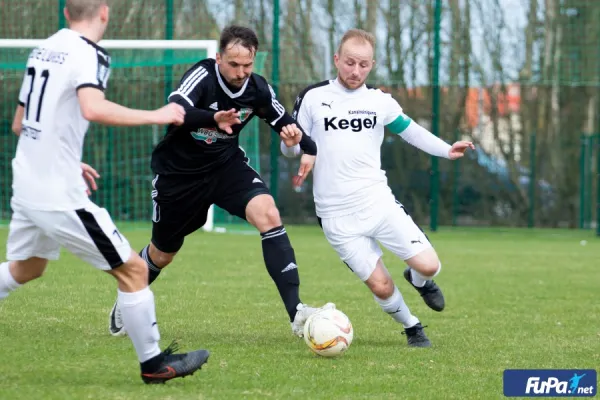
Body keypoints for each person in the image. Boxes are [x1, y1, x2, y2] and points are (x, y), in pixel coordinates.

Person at [0, 0, 209, 383]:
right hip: (57, 194)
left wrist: (66, 156)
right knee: (132, 269)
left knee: (28, 268)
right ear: (105, 12)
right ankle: (154, 365)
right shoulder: (89, 53)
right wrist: (158, 114)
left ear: (66, 13)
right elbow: (93, 108)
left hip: (27, 182)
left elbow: (20, 123)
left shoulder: (42, 49)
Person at [108, 25, 334, 338]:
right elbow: (176, 111)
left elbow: (290, 128)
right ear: (218, 58)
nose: (241, 72)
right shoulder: (202, 76)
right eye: (233, 64)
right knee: (163, 253)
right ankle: (129, 292)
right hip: (179, 175)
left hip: (225, 168)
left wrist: (302, 144)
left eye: (247, 65)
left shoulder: (258, 89)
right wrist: (212, 118)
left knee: (268, 213)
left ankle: (296, 313)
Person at [282, 29, 475, 347]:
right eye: (349, 63)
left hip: (378, 203)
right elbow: (292, 148)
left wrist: (446, 149)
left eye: (362, 64)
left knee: (430, 266)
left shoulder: (378, 101)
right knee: (382, 287)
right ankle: (413, 328)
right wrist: (291, 147)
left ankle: (417, 280)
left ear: (372, 65)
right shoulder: (313, 98)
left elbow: (410, 131)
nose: (355, 71)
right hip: (336, 215)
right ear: (336, 60)